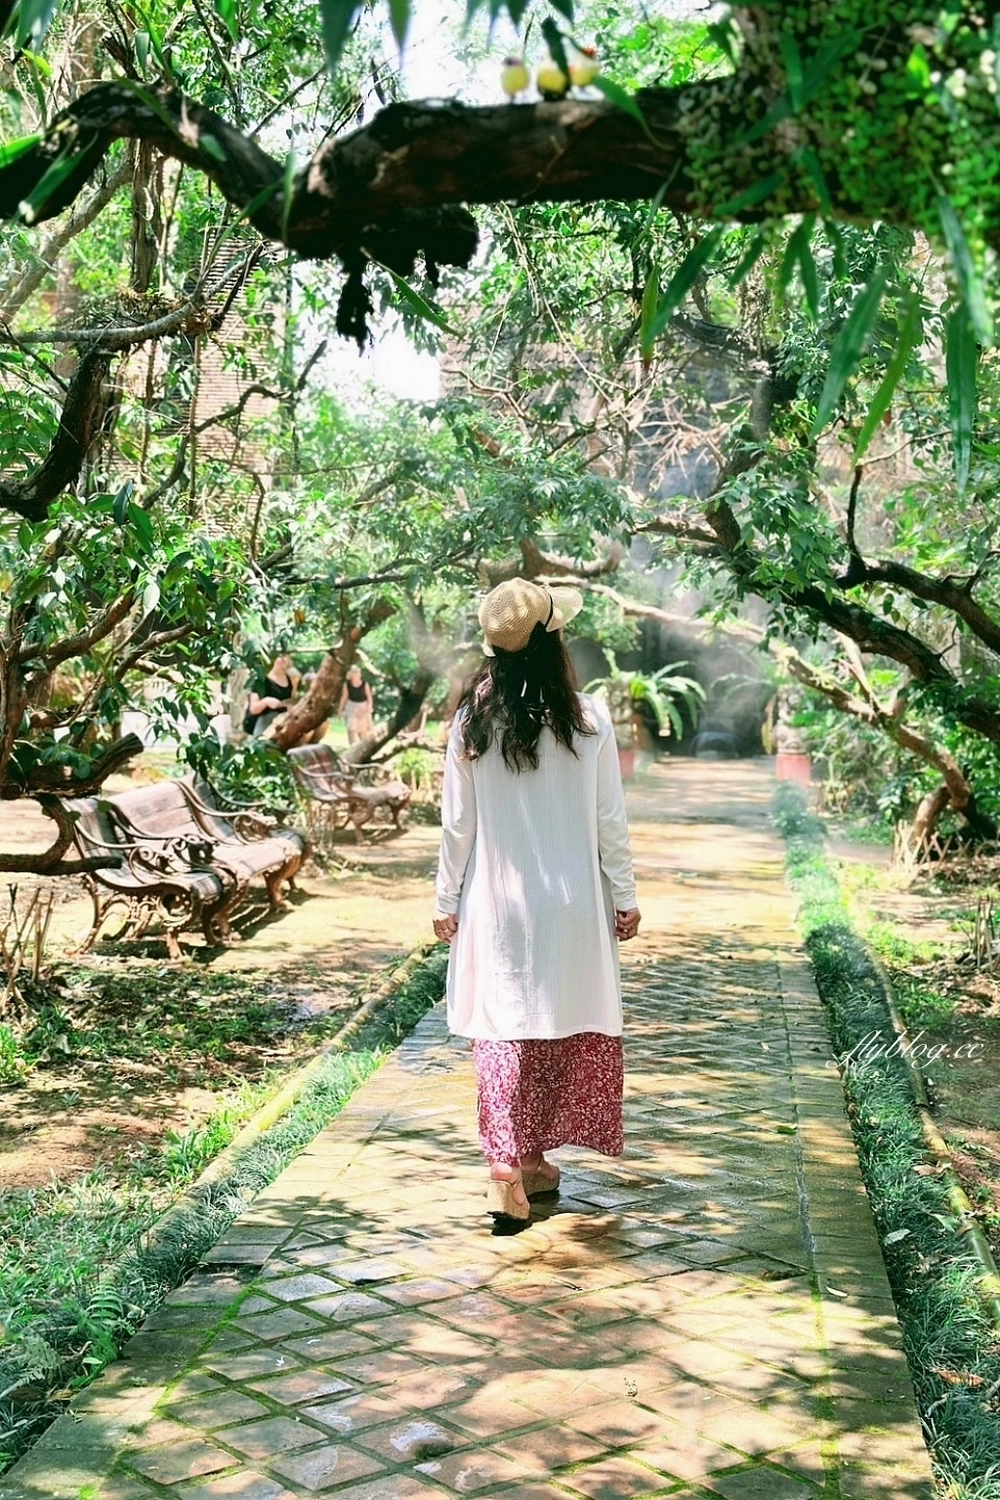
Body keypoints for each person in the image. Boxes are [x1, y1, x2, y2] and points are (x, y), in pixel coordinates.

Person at [433, 578, 641, 1226]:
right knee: (554, 1029)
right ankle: (532, 1159)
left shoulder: (471, 725)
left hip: (498, 909)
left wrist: (446, 900)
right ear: (555, 643)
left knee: (504, 1031)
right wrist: (626, 896)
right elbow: (610, 820)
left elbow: (456, 827)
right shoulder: (590, 720)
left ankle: (511, 1164)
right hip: (574, 907)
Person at [243, 654, 300, 738]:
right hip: (261, 724)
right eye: (280, 657)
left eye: (285, 657)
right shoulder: (261, 680)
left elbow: (290, 703)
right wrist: (266, 701)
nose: (282, 660)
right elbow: (253, 709)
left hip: (280, 724)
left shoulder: (290, 680)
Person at [339, 664, 374, 745]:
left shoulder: (365, 684)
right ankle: (353, 746)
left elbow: (369, 696)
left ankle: (364, 748)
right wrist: (340, 710)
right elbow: (344, 697)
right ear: (351, 674)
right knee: (352, 729)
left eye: (358, 672)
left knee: (364, 731)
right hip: (351, 707)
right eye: (355, 672)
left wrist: (369, 707)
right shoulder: (347, 685)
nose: (357, 674)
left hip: (363, 707)